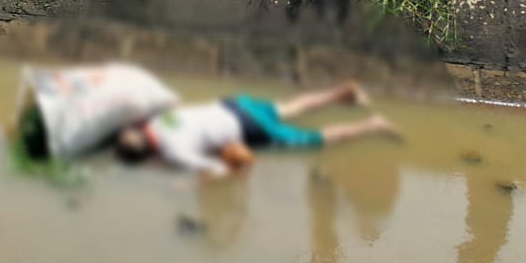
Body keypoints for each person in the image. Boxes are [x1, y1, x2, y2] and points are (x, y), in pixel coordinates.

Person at [116, 82, 399, 176]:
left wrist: (185, 183)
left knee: (316, 139)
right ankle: (342, 94)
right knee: (291, 108)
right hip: (235, 107)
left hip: (249, 130)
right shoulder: (155, 121)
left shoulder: (173, 152)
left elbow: (217, 169)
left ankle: (372, 125)